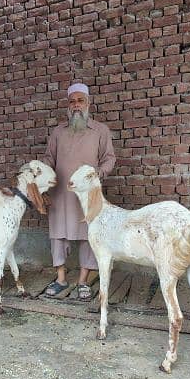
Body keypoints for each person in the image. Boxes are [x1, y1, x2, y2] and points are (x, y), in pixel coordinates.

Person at [43, 82, 116, 300]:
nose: (76, 105)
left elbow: (109, 159)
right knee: (57, 234)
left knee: (88, 234)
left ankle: (83, 281)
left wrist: (98, 174)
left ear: (88, 103)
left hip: (87, 195)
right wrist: (43, 172)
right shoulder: (58, 132)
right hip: (61, 193)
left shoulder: (100, 131)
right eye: (72, 101)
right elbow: (49, 158)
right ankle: (61, 279)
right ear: (68, 105)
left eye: (80, 100)